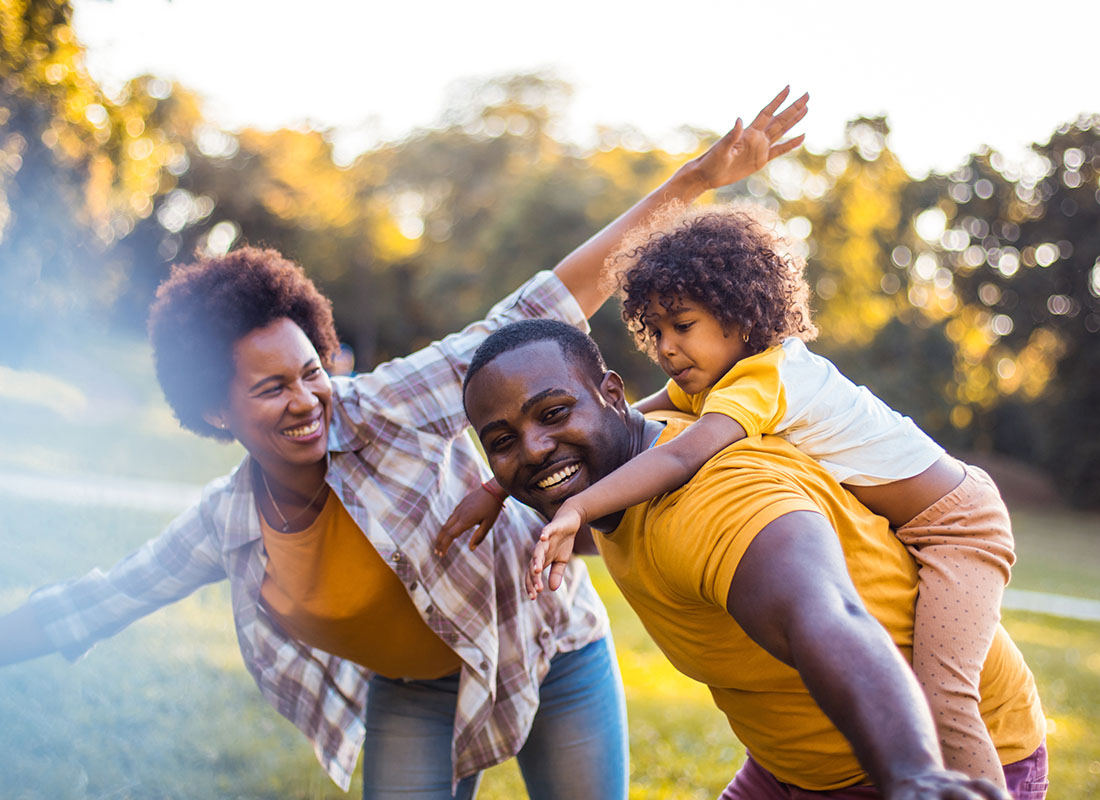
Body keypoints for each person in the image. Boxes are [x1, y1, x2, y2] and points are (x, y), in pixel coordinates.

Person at [0, 89, 809, 799]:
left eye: (312, 371)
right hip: (417, 688)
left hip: (547, 643)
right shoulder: (230, 523)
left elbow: (547, 301)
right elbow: (101, 600)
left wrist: (699, 179)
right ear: (216, 413)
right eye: (271, 388)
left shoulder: (377, 407)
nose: (308, 400)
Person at [521, 203, 1017, 785]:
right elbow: (608, 417)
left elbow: (680, 455)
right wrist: (496, 483)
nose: (667, 349)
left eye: (683, 325)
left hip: (958, 527)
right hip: (909, 525)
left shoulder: (766, 377)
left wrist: (578, 506)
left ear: (742, 314)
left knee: (946, 700)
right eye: (653, 331)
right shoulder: (713, 380)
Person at [460, 318, 1047, 800]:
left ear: (612, 395)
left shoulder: (713, 497)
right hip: (789, 768)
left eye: (555, 413)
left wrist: (913, 773)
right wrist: (493, 493)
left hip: (908, 766)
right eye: (503, 442)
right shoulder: (621, 467)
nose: (534, 448)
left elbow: (822, 615)